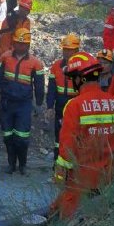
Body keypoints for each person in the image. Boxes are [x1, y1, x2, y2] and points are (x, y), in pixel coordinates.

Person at [52, 53, 114, 220]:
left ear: (80, 79)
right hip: (108, 180)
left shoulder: (74, 105)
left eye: (73, 78)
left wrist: (59, 176)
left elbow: (67, 148)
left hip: (80, 181)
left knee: (69, 223)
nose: (72, 83)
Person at [0, 27, 45, 174]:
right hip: (6, 104)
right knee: (8, 136)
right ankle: (11, 165)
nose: (20, 46)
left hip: (24, 105)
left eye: (24, 44)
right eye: (18, 43)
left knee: (21, 138)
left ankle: (23, 166)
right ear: (14, 43)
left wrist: (39, 104)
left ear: (28, 45)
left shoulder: (36, 63)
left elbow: (39, 87)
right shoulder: (4, 57)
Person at [46, 33, 82, 161]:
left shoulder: (83, 66)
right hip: (61, 105)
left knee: (76, 134)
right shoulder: (56, 66)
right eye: (65, 50)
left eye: (70, 50)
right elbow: (51, 89)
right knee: (59, 135)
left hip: (76, 105)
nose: (67, 53)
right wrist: (49, 106)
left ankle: (75, 164)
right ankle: (58, 164)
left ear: (77, 51)